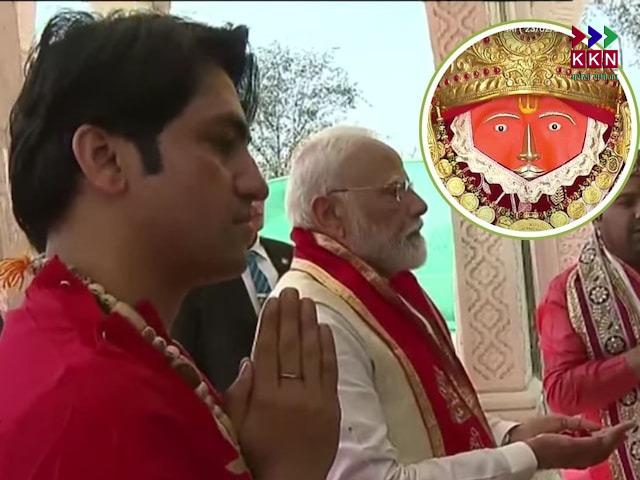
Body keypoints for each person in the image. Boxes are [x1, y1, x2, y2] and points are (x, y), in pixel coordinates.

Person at [0, 11, 339, 480]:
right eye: (221, 144)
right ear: (105, 159)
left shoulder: (104, 348)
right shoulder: (86, 405)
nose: (257, 184)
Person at [270, 125, 633, 480]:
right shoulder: (313, 312)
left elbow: (435, 419)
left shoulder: (385, 292)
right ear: (330, 213)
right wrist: (530, 455)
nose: (419, 205)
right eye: (394, 191)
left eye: (408, 187)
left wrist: (513, 435)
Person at [537, 154, 640, 480]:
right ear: (597, 214)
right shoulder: (569, 293)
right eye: (626, 202)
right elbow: (562, 395)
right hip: (610, 468)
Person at [173, 199, 293, 391]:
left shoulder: (290, 256)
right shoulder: (199, 275)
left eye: (260, 197)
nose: (256, 206)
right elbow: (184, 354)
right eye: (245, 198)